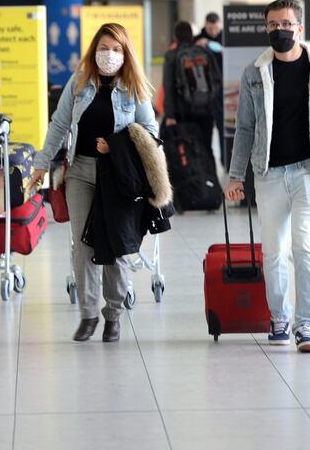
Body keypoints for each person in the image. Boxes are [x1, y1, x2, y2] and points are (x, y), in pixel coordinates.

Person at [223, 0, 310, 353]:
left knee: (305, 246)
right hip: (268, 175)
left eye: (285, 23)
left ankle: (306, 324)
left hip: (308, 172)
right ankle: (279, 316)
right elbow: (245, 128)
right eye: (272, 24)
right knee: (273, 251)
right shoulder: (255, 73)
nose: (279, 30)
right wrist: (235, 176)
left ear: (300, 28)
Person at [32, 23, 157, 343]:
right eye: (104, 48)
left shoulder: (134, 88)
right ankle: (88, 314)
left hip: (117, 176)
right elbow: (58, 125)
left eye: (117, 50)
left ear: (126, 53)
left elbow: (151, 134)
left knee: (115, 244)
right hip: (80, 172)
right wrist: (41, 165)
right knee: (83, 244)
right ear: (94, 50)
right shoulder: (79, 82)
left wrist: (116, 145)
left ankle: (113, 314)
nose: (110, 55)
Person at [163, 21, 219, 149]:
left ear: (175, 37)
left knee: (188, 152)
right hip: (206, 110)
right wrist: (208, 98)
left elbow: (168, 86)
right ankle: (209, 169)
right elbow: (217, 80)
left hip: (182, 112)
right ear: (191, 36)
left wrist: (170, 115)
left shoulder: (171, 56)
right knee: (206, 149)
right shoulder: (205, 53)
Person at [195, 12, 226, 157]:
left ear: (220, 25)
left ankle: (224, 160)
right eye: (210, 29)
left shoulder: (226, 38)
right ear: (205, 25)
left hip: (222, 88)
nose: (213, 32)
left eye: (215, 28)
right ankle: (206, 163)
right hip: (203, 89)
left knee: (222, 126)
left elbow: (227, 52)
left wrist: (210, 44)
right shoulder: (197, 39)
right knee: (203, 127)